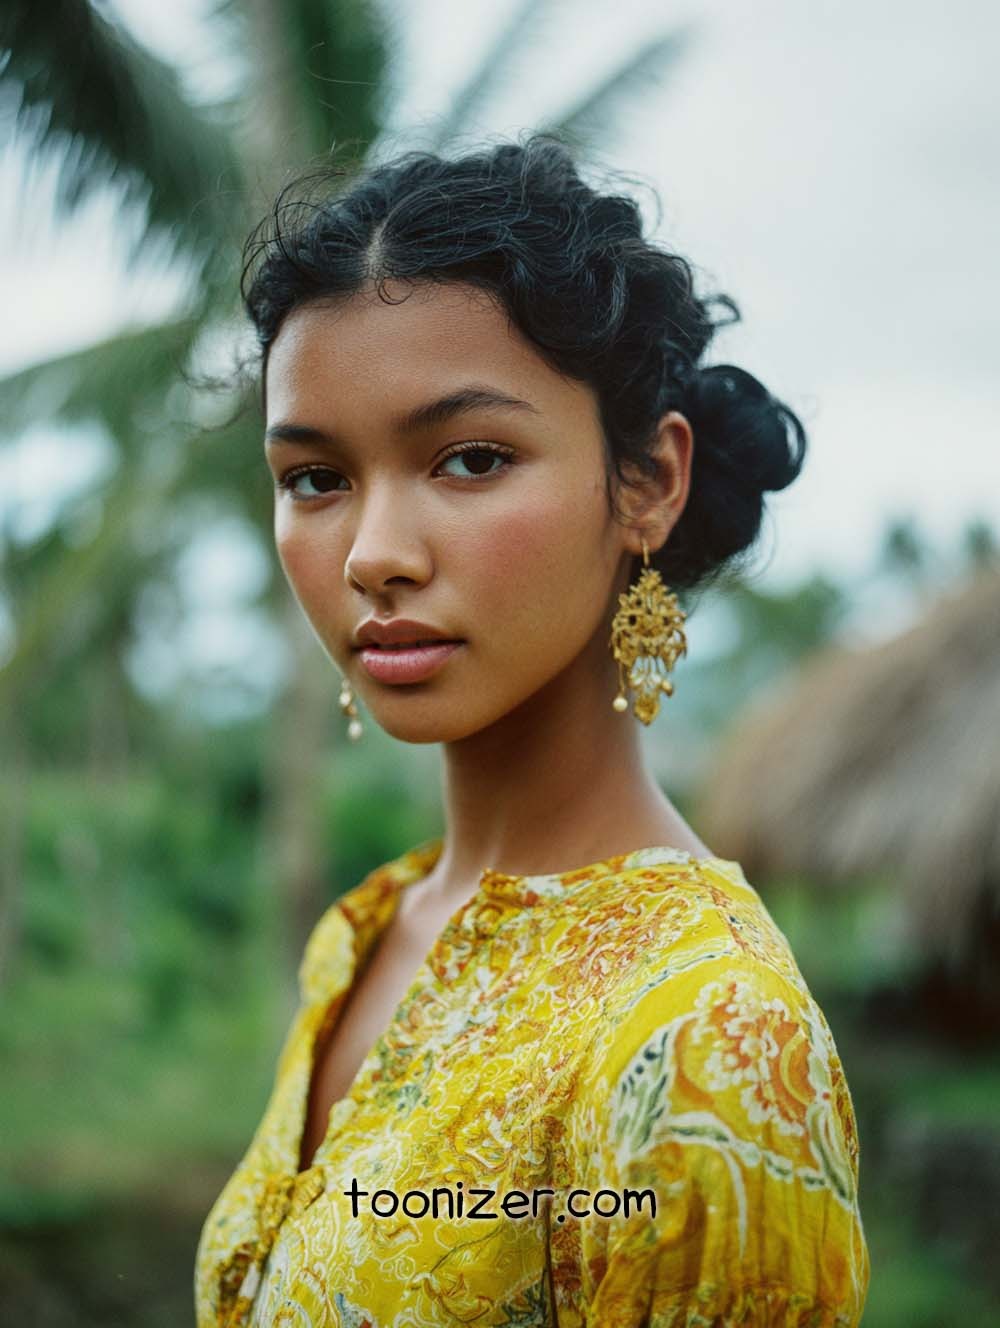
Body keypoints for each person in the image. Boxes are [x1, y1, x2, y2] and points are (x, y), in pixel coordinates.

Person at [195, 133, 870, 1327]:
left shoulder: (708, 1039)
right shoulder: (361, 936)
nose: (372, 555)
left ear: (648, 483)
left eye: (469, 458)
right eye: (314, 477)